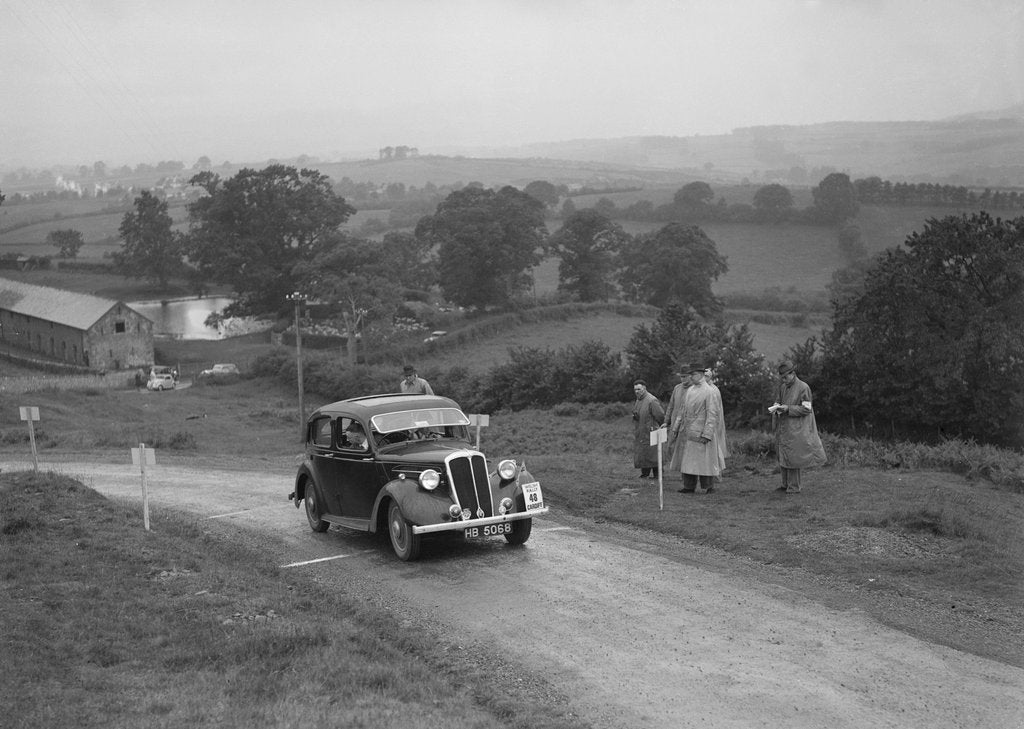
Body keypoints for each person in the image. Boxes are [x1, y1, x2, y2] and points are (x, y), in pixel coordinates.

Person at [770, 361, 826, 494]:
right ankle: (785, 484)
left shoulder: (803, 387)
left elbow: (807, 409)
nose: (784, 380)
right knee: (783, 455)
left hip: (797, 428)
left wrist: (788, 408)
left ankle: (794, 487)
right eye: (782, 378)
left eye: (786, 377)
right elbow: (778, 400)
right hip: (784, 427)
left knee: (794, 457)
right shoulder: (783, 387)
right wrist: (776, 406)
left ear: (793, 374)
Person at [671, 363, 727, 493]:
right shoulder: (690, 390)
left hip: (702, 432)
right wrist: (676, 427)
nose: (691, 377)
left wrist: (707, 434)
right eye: (690, 375)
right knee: (689, 461)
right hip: (689, 431)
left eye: (693, 374)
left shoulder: (709, 391)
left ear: (701, 374)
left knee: (705, 461)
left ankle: (708, 487)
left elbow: (713, 414)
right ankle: (688, 486)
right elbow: (682, 410)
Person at [631, 380, 665, 479]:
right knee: (643, 453)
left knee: (654, 454)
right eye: (635, 389)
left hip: (652, 431)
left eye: (639, 389)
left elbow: (660, 415)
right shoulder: (638, 400)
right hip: (641, 431)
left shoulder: (651, 400)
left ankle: (658, 475)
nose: (637, 391)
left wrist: (662, 428)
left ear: (644, 389)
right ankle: (644, 473)